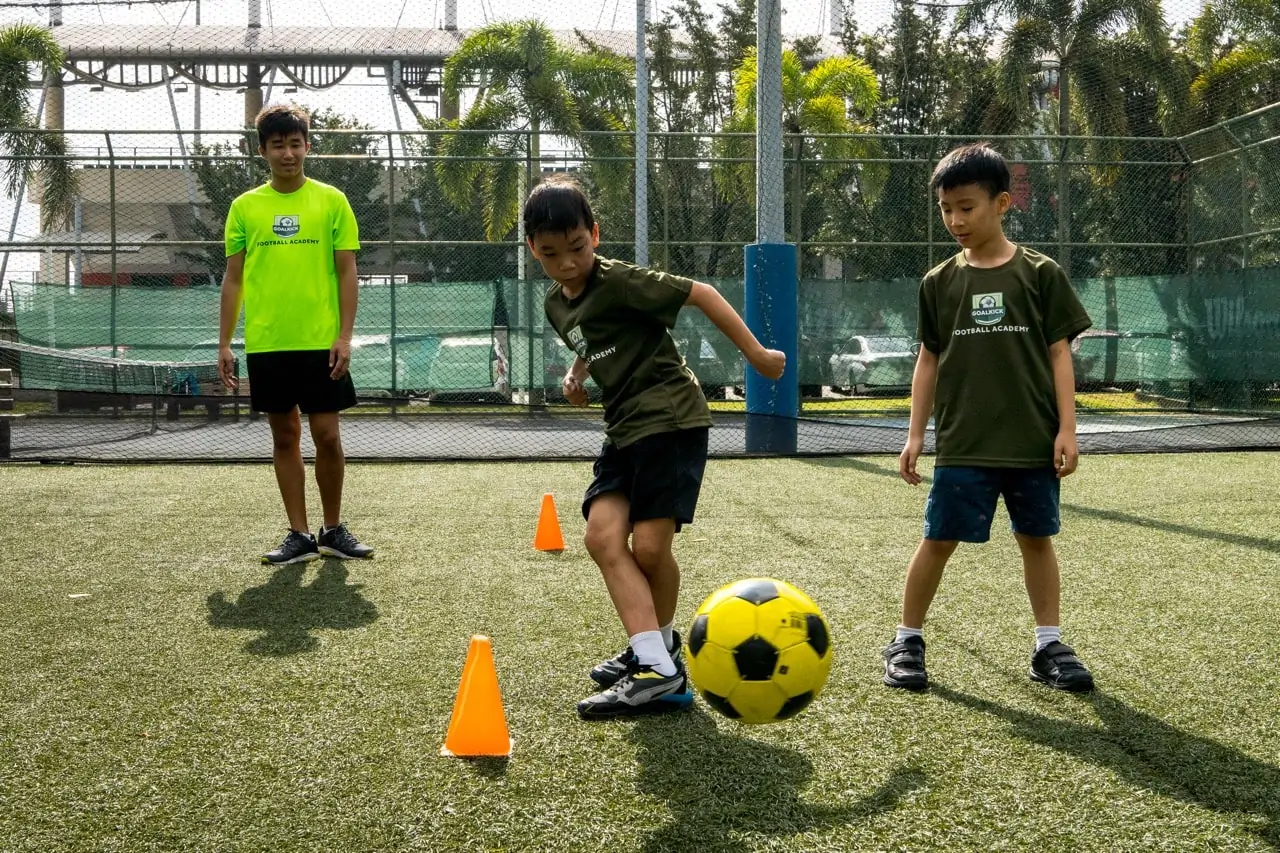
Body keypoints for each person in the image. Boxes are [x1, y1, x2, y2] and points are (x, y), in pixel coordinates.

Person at [524, 176, 786, 718]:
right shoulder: (556, 304)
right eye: (551, 254)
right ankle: (657, 656)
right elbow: (592, 338)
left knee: (647, 550)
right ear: (532, 250)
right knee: (601, 537)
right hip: (623, 428)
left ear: (594, 235)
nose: (568, 263)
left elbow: (703, 294)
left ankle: (657, 664)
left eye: (577, 248)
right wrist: (577, 373)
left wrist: (757, 356)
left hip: (670, 419)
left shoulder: (621, 280)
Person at [882, 143, 1095, 693]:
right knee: (937, 540)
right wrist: (914, 435)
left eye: (967, 207)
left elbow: (1058, 354)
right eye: (946, 208)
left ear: (1002, 204)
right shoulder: (938, 283)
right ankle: (906, 639)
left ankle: (1048, 643)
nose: (955, 219)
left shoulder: (1041, 274)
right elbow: (928, 360)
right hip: (963, 443)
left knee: (1036, 538)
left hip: (1031, 441)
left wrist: (1068, 428)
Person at [217, 104, 374, 566]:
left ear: (307, 145)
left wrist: (344, 336)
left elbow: (347, 272)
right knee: (284, 436)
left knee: (326, 433)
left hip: (321, 342)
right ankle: (299, 535)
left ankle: (332, 529)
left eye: (295, 143)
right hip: (268, 343)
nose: (288, 153)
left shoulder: (332, 201)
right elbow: (233, 278)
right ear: (263, 150)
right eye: (278, 145)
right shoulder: (245, 207)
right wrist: (225, 342)